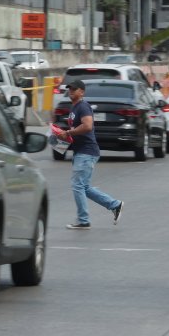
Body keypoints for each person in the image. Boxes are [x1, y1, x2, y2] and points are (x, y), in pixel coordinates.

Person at [53, 79, 123, 230]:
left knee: (78, 186)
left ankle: (83, 220)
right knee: (83, 187)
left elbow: (87, 126)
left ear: (82, 92)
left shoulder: (83, 106)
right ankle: (114, 205)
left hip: (86, 152)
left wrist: (69, 132)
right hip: (82, 151)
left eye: (74, 89)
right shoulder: (75, 107)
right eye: (69, 89)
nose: (71, 91)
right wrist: (61, 135)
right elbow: (77, 131)